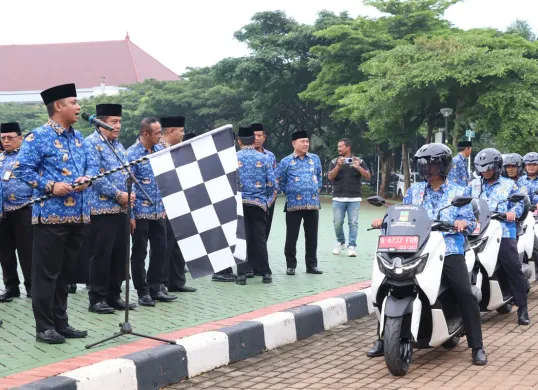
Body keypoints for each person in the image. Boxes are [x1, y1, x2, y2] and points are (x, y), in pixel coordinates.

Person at [367, 143, 487, 366]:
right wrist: (384, 220)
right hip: (415, 246)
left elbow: (471, 222)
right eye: (424, 164)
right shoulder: (414, 191)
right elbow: (402, 215)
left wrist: (463, 222)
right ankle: (383, 339)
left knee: (463, 291)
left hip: (448, 247)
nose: (428, 168)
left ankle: (477, 345)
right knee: (387, 286)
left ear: (444, 165)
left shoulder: (459, 191)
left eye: (433, 163)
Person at [14, 83, 96, 344]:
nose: (78, 107)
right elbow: (22, 170)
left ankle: (61, 322)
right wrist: (50, 185)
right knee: (46, 274)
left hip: (78, 216)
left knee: (65, 274)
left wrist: (87, 179)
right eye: (73, 102)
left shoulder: (80, 138)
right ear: (58, 106)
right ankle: (44, 327)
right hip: (50, 216)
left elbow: (91, 167)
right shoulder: (37, 137)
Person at [85, 104, 137, 314]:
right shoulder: (91, 144)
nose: (118, 126)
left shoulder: (119, 146)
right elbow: (96, 177)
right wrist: (118, 195)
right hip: (101, 210)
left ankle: (114, 295)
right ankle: (97, 298)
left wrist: (130, 210)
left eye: (120, 121)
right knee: (102, 255)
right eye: (114, 121)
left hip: (122, 210)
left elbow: (126, 177)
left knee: (120, 255)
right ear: (100, 122)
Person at [469, 148, 529, 325]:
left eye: (488, 168)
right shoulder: (473, 185)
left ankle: (523, 309)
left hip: (503, 230)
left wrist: (512, 212)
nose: (485, 171)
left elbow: (520, 203)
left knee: (513, 267)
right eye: (481, 168)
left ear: (496, 167)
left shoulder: (509, 185)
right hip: (476, 231)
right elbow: (463, 202)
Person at [127, 117, 177, 306]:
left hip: (158, 211)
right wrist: (130, 215)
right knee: (139, 252)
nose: (160, 136)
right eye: (157, 133)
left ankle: (156, 287)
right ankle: (142, 291)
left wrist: (164, 206)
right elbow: (128, 186)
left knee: (161, 250)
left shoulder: (160, 151)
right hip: (140, 212)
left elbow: (165, 180)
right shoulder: (132, 154)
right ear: (146, 134)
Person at [276, 130, 323, 275]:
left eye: (307, 141)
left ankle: (311, 265)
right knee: (291, 236)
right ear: (294, 143)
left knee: (312, 236)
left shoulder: (315, 159)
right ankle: (291, 265)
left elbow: (319, 177)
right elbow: (279, 180)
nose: (305, 144)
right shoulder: (286, 161)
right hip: (293, 205)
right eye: (302, 141)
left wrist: (314, 189)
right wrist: (290, 191)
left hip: (313, 203)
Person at [159, 115, 196, 293]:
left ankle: (177, 281)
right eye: (181, 131)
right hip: (163, 205)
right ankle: (163, 282)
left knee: (180, 242)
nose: (183, 134)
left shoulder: (180, 150)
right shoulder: (158, 151)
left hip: (181, 201)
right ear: (171, 131)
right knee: (165, 245)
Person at [235, 125, 276, 285]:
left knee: (241, 238)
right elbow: (272, 186)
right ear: (253, 140)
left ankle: (242, 275)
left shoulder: (232, 158)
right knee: (259, 238)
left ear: (239, 141)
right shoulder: (265, 158)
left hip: (239, 205)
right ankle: (266, 273)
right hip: (259, 205)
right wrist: (266, 203)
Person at [0, 122, 33, 301]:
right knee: (5, 252)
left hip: (23, 209)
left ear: (20, 138)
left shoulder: (27, 158)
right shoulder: (0, 159)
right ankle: (11, 287)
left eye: (10, 137)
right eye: (3, 138)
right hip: (2, 212)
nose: (6, 141)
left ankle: (31, 286)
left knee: (27, 251)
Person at [327, 138, 371, 257]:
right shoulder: (334, 161)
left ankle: (351, 246)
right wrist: (337, 166)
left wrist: (358, 167)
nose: (338, 149)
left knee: (353, 223)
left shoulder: (358, 161)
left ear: (348, 147)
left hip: (354, 198)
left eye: (341, 146)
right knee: (337, 223)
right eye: (338, 147)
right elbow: (330, 177)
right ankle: (341, 242)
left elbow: (368, 176)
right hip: (338, 197)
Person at [251, 123, 277, 240]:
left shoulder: (270, 156)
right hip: (250, 199)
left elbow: (275, 177)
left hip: (268, 200)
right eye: (254, 135)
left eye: (259, 135)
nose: (257, 138)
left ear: (264, 137)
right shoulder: (243, 156)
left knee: (265, 230)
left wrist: (273, 197)